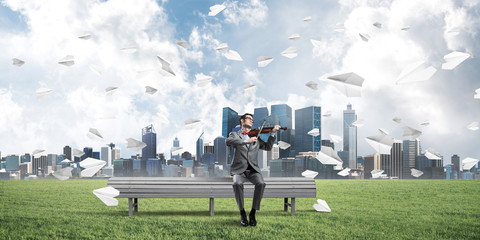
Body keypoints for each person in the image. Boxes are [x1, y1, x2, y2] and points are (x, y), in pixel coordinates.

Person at [226, 113, 280, 227]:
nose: (251, 120)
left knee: (261, 183)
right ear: (242, 120)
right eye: (249, 118)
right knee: (236, 184)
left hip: (253, 169)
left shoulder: (257, 136)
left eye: (252, 119)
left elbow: (268, 147)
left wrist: (273, 133)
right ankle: (242, 213)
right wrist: (246, 141)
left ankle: (253, 213)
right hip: (239, 170)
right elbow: (228, 141)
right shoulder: (235, 134)